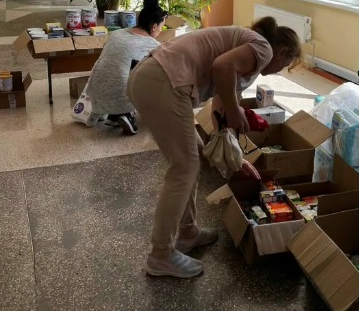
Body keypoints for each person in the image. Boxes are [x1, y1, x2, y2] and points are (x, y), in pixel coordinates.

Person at [126, 16, 302, 278]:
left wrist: (235, 159)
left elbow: (220, 114)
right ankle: (160, 254)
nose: (279, 71)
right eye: (285, 65)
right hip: (163, 82)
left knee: (195, 156)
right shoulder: (263, 48)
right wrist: (235, 110)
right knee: (184, 167)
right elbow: (221, 68)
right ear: (283, 52)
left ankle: (187, 232)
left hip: (151, 77)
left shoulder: (244, 49)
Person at [81, 0, 167, 135]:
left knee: (121, 68)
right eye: (161, 27)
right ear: (154, 26)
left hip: (94, 94)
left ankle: (111, 114)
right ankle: (126, 114)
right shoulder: (153, 45)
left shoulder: (117, 34)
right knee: (152, 77)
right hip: (120, 98)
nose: (160, 31)